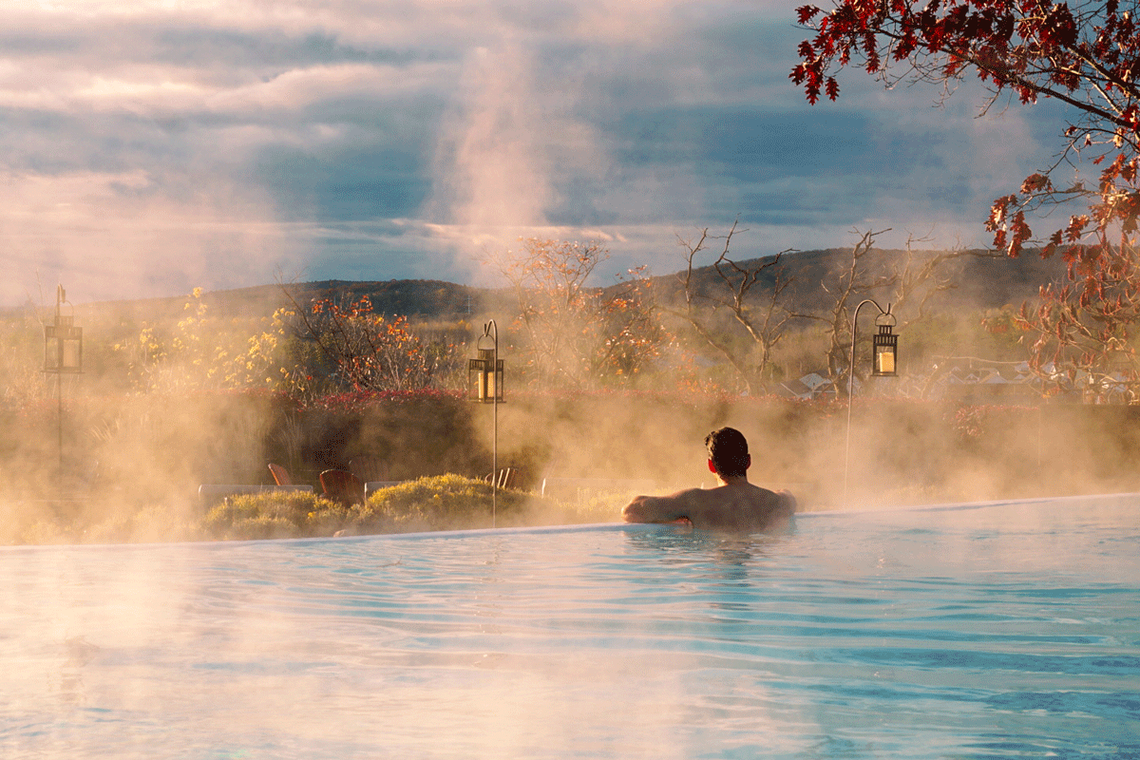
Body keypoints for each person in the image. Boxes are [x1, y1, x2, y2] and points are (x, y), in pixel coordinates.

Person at [622, 427, 796, 531]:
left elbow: (631, 510)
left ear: (711, 466)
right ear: (748, 462)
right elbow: (792, 499)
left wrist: (670, 517)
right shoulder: (776, 501)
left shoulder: (695, 501)